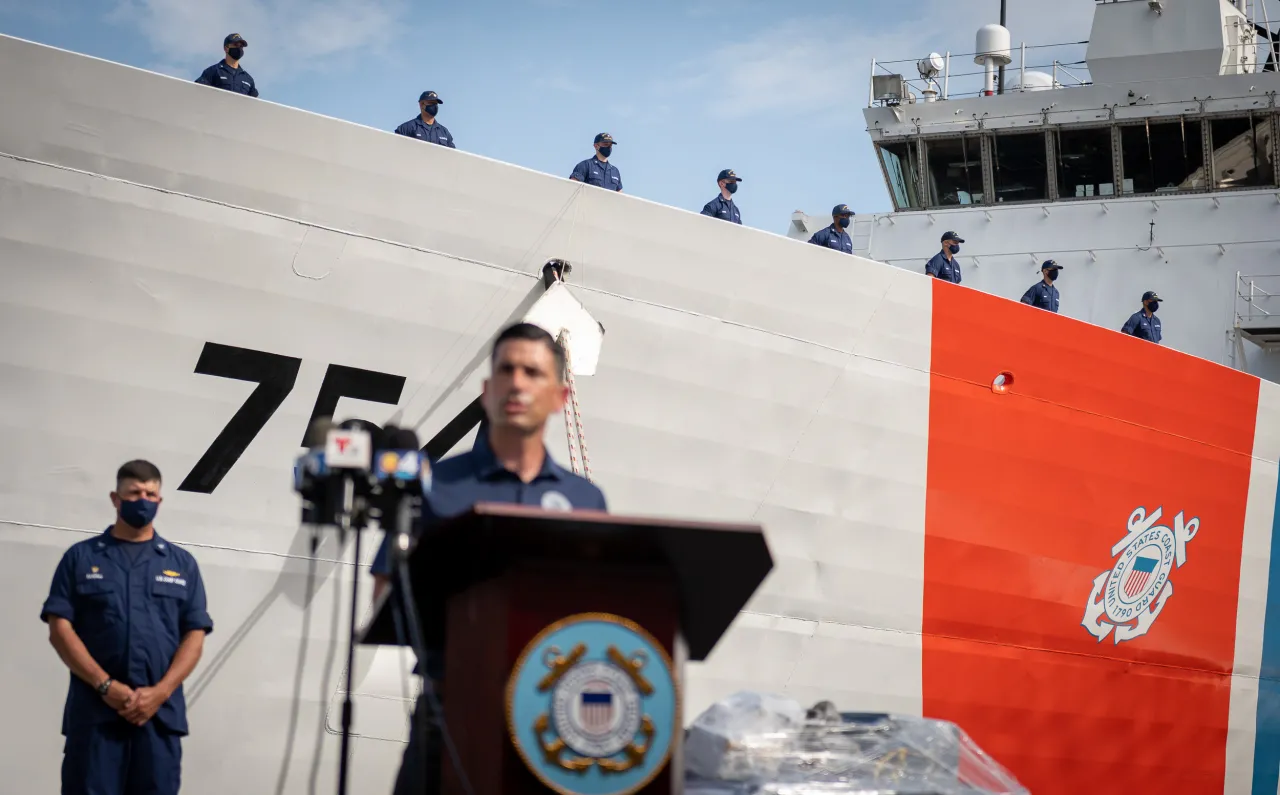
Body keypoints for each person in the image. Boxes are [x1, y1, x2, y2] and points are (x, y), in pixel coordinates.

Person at [371, 322, 608, 795]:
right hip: (448, 713)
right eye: (506, 370)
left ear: (561, 396)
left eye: (532, 372)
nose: (517, 383)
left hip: (548, 724)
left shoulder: (585, 502)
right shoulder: (434, 487)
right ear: (487, 390)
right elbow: (385, 592)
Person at [41, 460, 213, 795]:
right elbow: (60, 630)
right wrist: (105, 686)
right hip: (95, 717)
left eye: (151, 493)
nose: (143, 500)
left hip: (159, 719)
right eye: (134, 493)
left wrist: (160, 692)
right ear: (115, 499)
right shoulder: (81, 558)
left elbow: (194, 635)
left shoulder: (181, 565)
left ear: (160, 501)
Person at [194, 33, 259, 97]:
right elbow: (197, 92)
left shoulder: (248, 79)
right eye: (236, 45)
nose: (239, 48)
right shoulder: (213, 71)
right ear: (226, 48)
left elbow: (256, 104)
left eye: (241, 46)